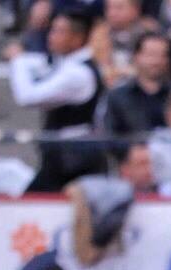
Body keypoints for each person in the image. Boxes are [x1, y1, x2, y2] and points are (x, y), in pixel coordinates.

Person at [8, 8, 103, 194]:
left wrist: (17, 61)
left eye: (59, 31)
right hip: (61, 153)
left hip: (74, 156)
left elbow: (27, 97)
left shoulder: (77, 73)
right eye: (52, 30)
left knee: (36, 202)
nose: (51, 36)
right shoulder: (67, 63)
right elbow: (39, 63)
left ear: (77, 38)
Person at [99, 32, 170, 140]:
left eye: (162, 55)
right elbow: (109, 136)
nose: (156, 61)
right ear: (136, 56)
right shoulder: (117, 96)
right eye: (151, 54)